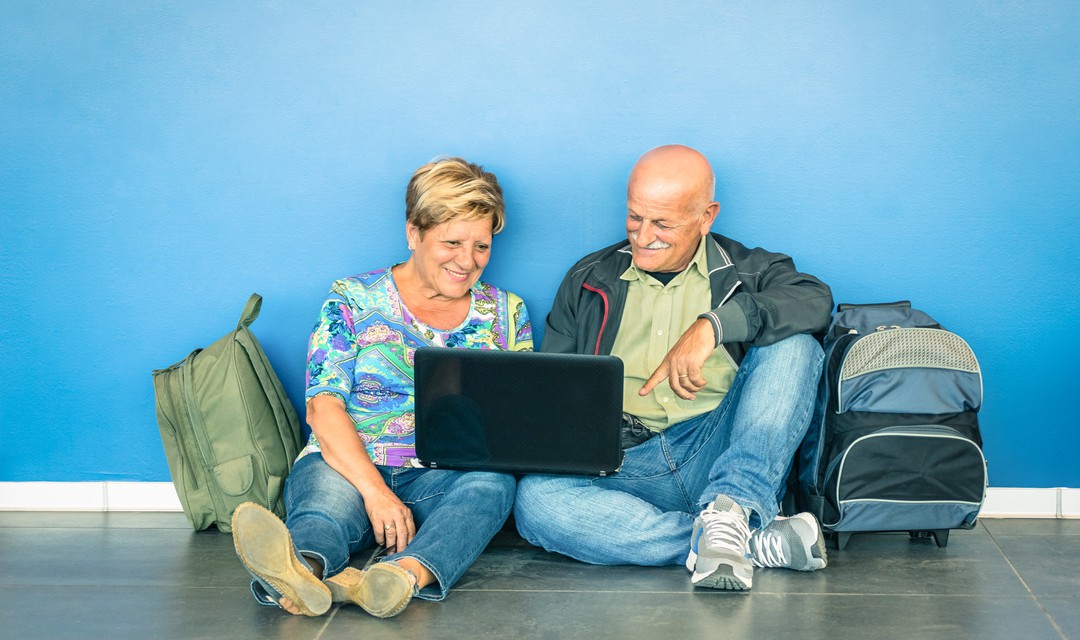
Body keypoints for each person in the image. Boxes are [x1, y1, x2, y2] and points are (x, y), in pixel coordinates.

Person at [513, 144, 832, 591]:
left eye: (662, 223)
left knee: (795, 344)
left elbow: (814, 300)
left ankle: (731, 507)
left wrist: (713, 326)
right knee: (536, 501)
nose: (643, 236)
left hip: (719, 450)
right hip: (625, 464)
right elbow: (554, 391)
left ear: (706, 217)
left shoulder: (751, 270)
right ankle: (741, 543)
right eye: (634, 218)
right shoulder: (588, 279)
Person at [231, 157, 533, 618]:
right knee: (321, 513)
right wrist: (376, 493)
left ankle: (399, 576)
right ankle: (301, 572)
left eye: (481, 246)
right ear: (414, 233)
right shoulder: (352, 299)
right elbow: (323, 408)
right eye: (452, 242)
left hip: (444, 473)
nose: (468, 261)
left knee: (491, 486)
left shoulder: (506, 314)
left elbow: (516, 416)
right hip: (350, 465)